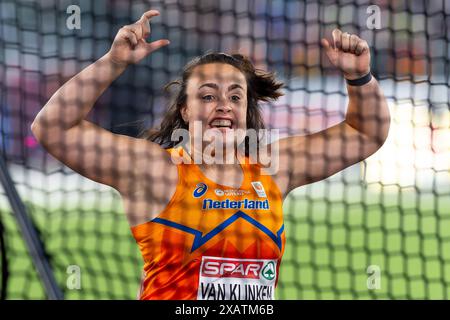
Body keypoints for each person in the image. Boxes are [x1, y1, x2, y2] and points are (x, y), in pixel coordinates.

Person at [31, 9, 390, 300]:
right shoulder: (154, 171)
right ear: (185, 110)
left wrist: (359, 78)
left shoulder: (275, 169)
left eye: (235, 96)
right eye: (207, 96)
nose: (224, 106)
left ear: (246, 110)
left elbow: (365, 132)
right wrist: (113, 62)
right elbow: (52, 128)